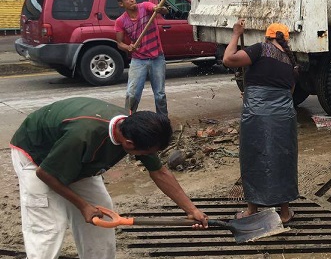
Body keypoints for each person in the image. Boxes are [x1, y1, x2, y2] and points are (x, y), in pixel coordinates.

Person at [10, 97, 208, 259]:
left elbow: (160, 172)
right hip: (35, 155)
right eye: (149, 152)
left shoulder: (138, 130)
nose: (150, 155)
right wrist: (83, 205)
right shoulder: (83, 135)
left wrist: (192, 210)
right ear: (129, 145)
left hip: (77, 160)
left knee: (102, 218)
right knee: (49, 227)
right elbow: (46, 174)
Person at [223, 20, 298, 223]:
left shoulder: (260, 49)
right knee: (283, 159)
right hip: (284, 116)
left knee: (253, 156)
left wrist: (236, 34)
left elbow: (228, 59)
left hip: (257, 114)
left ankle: (251, 210)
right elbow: (288, 92)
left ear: (267, 37)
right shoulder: (290, 60)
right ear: (286, 41)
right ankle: (284, 213)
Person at [114, 0, 169, 117]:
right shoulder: (121, 21)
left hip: (157, 58)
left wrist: (159, 9)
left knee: (160, 94)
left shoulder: (145, 7)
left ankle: (163, 121)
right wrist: (128, 47)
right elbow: (119, 43)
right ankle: (128, 120)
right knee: (132, 94)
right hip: (138, 60)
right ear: (121, 4)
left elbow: (158, 8)